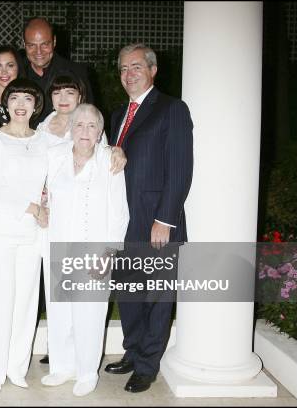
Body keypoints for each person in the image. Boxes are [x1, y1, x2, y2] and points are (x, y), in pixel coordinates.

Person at [104, 43, 193, 393]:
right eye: (124, 68)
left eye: (137, 67)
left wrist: (166, 219)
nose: (129, 74)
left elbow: (180, 168)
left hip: (156, 221)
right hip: (123, 220)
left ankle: (147, 365)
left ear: (153, 70)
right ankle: (132, 351)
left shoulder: (172, 109)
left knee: (156, 296)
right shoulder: (116, 116)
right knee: (128, 292)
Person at [40, 103, 129, 397]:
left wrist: (109, 253)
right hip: (58, 244)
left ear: (101, 131)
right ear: (70, 128)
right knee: (60, 311)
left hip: (95, 250)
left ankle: (87, 370)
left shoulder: (109, 161)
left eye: (92, 126)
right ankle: (62, 367)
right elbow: (40, 193)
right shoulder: (53, 157)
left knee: (90, 312)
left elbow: (119, 212)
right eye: (79, 125)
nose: (85, 131)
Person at [0, 78, 49, 390]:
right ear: (5, 103)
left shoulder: (44, 139)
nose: (20, 104)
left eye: (27, 99)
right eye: (14, 98)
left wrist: (46, 201)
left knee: (26, 302)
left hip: (31, 232)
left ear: (36, 105)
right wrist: (34, 207)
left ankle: (16, 368)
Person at [22, 17, 94, 123]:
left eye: (44, 44)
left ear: (54, 41)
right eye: (31, 45)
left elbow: (89, 116)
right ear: (24, 44)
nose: (38, 52)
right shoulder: (16, 72)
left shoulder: (77, 72)